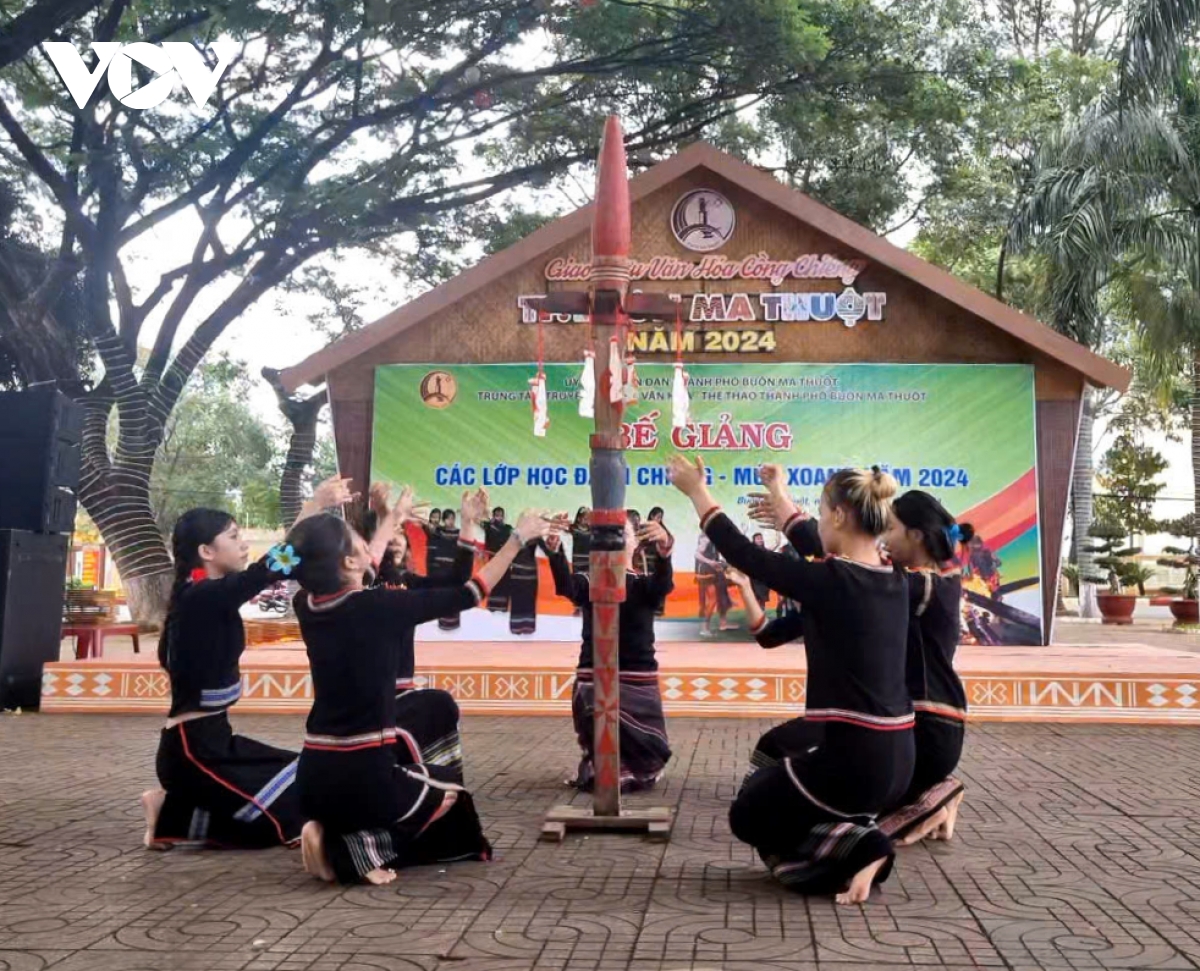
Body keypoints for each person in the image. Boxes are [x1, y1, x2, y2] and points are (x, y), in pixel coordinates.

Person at [668, 455, 912, 905]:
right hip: (897, 761)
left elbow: (745, 554)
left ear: (839, 515)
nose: (816, 521)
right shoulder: (892, 580)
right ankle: (855, 832)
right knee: (775, 767)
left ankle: (867, 844)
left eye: (821, 511)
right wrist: (782, 497)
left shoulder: (832, 581)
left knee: (749, 815)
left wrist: (696, 491)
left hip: (855, 762)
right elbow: (814, 547)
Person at [290, 488, 560, 885]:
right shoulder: (381, 608)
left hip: (312, 777)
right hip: (362, 777)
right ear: (349, 560)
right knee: (450, 797)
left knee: (432, 710)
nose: (372, 546)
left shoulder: (308, 605)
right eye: (361, 542)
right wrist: (518, 538)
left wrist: (332, 511)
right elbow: (471, 592)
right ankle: (347, 852)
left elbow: (346, 566)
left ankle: (333, 830)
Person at [752, 474, 971, 845]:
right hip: (908, 725)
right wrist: (783, 501)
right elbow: (839, 557)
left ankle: (935, 794)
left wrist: (786, 505)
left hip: (928, 729)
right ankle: (926, 798)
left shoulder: (931, 587)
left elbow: (847, 562)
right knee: (779, 750)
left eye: (891, 528)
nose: (882, 537)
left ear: (916, 535)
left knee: (858, 829)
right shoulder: (900, 578)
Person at [142, 476, 352, 851]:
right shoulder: (200, 598)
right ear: (207, 551)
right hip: (192, 753)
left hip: (218, 741)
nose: (243, 545)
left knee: (305, 776)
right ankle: (175, 808)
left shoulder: (210, 597)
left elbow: (275, 566)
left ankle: (169, 813)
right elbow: (268, 569)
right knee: (286, 821)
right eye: (234, 537)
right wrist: (314, 505)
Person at [545, 517, 675, 792]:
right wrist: (555, 550)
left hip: (636, 678)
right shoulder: (589, 581)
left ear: (636, 542)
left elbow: (663, 584)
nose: (616, 539)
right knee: (596, 720)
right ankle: (602, 767)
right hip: (593, 674)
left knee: (643, 744)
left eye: (623, 532)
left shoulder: (644, 585)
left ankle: (636, 768)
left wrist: (664, 548)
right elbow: (565, 586)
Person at [368, 493, 484, 784]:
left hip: (402, 695)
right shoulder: (359, 587)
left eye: (400, 533)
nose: (396, 540)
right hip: (366, 698)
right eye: (389, 534)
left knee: (440, 711)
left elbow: (457, 579)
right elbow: (376, 571)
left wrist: (468, 523)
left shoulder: (409, 585)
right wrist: (389, 516)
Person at [427, 508, 463, 631]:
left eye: (453, 518)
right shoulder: (438, 531)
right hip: (440, 569)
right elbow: (429, 527)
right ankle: (442, 623)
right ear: (444, 520)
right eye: (448, 518)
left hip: (453, 569)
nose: (450, 521)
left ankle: (454, 623)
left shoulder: (459, 533)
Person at [695, 533, 733, 635]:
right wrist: (710, 562)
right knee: (713, 599)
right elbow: (697, 554)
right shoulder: (706, 537)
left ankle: (723, 623)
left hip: (714, 570)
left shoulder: (715, 538)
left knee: (721, 595)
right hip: (707, 571)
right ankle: (704, 628)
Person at [483, 507, 513, 613]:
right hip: (493, 560)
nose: (499, 517)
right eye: (496, 515)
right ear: (493, 515)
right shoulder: (489, 526)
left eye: (500, 515)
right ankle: (492, 606)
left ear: (504, 516)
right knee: (494, 583)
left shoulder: (508, 528)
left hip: (505, 560)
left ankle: (503, 607)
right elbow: (477, 518)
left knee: (505, 583)